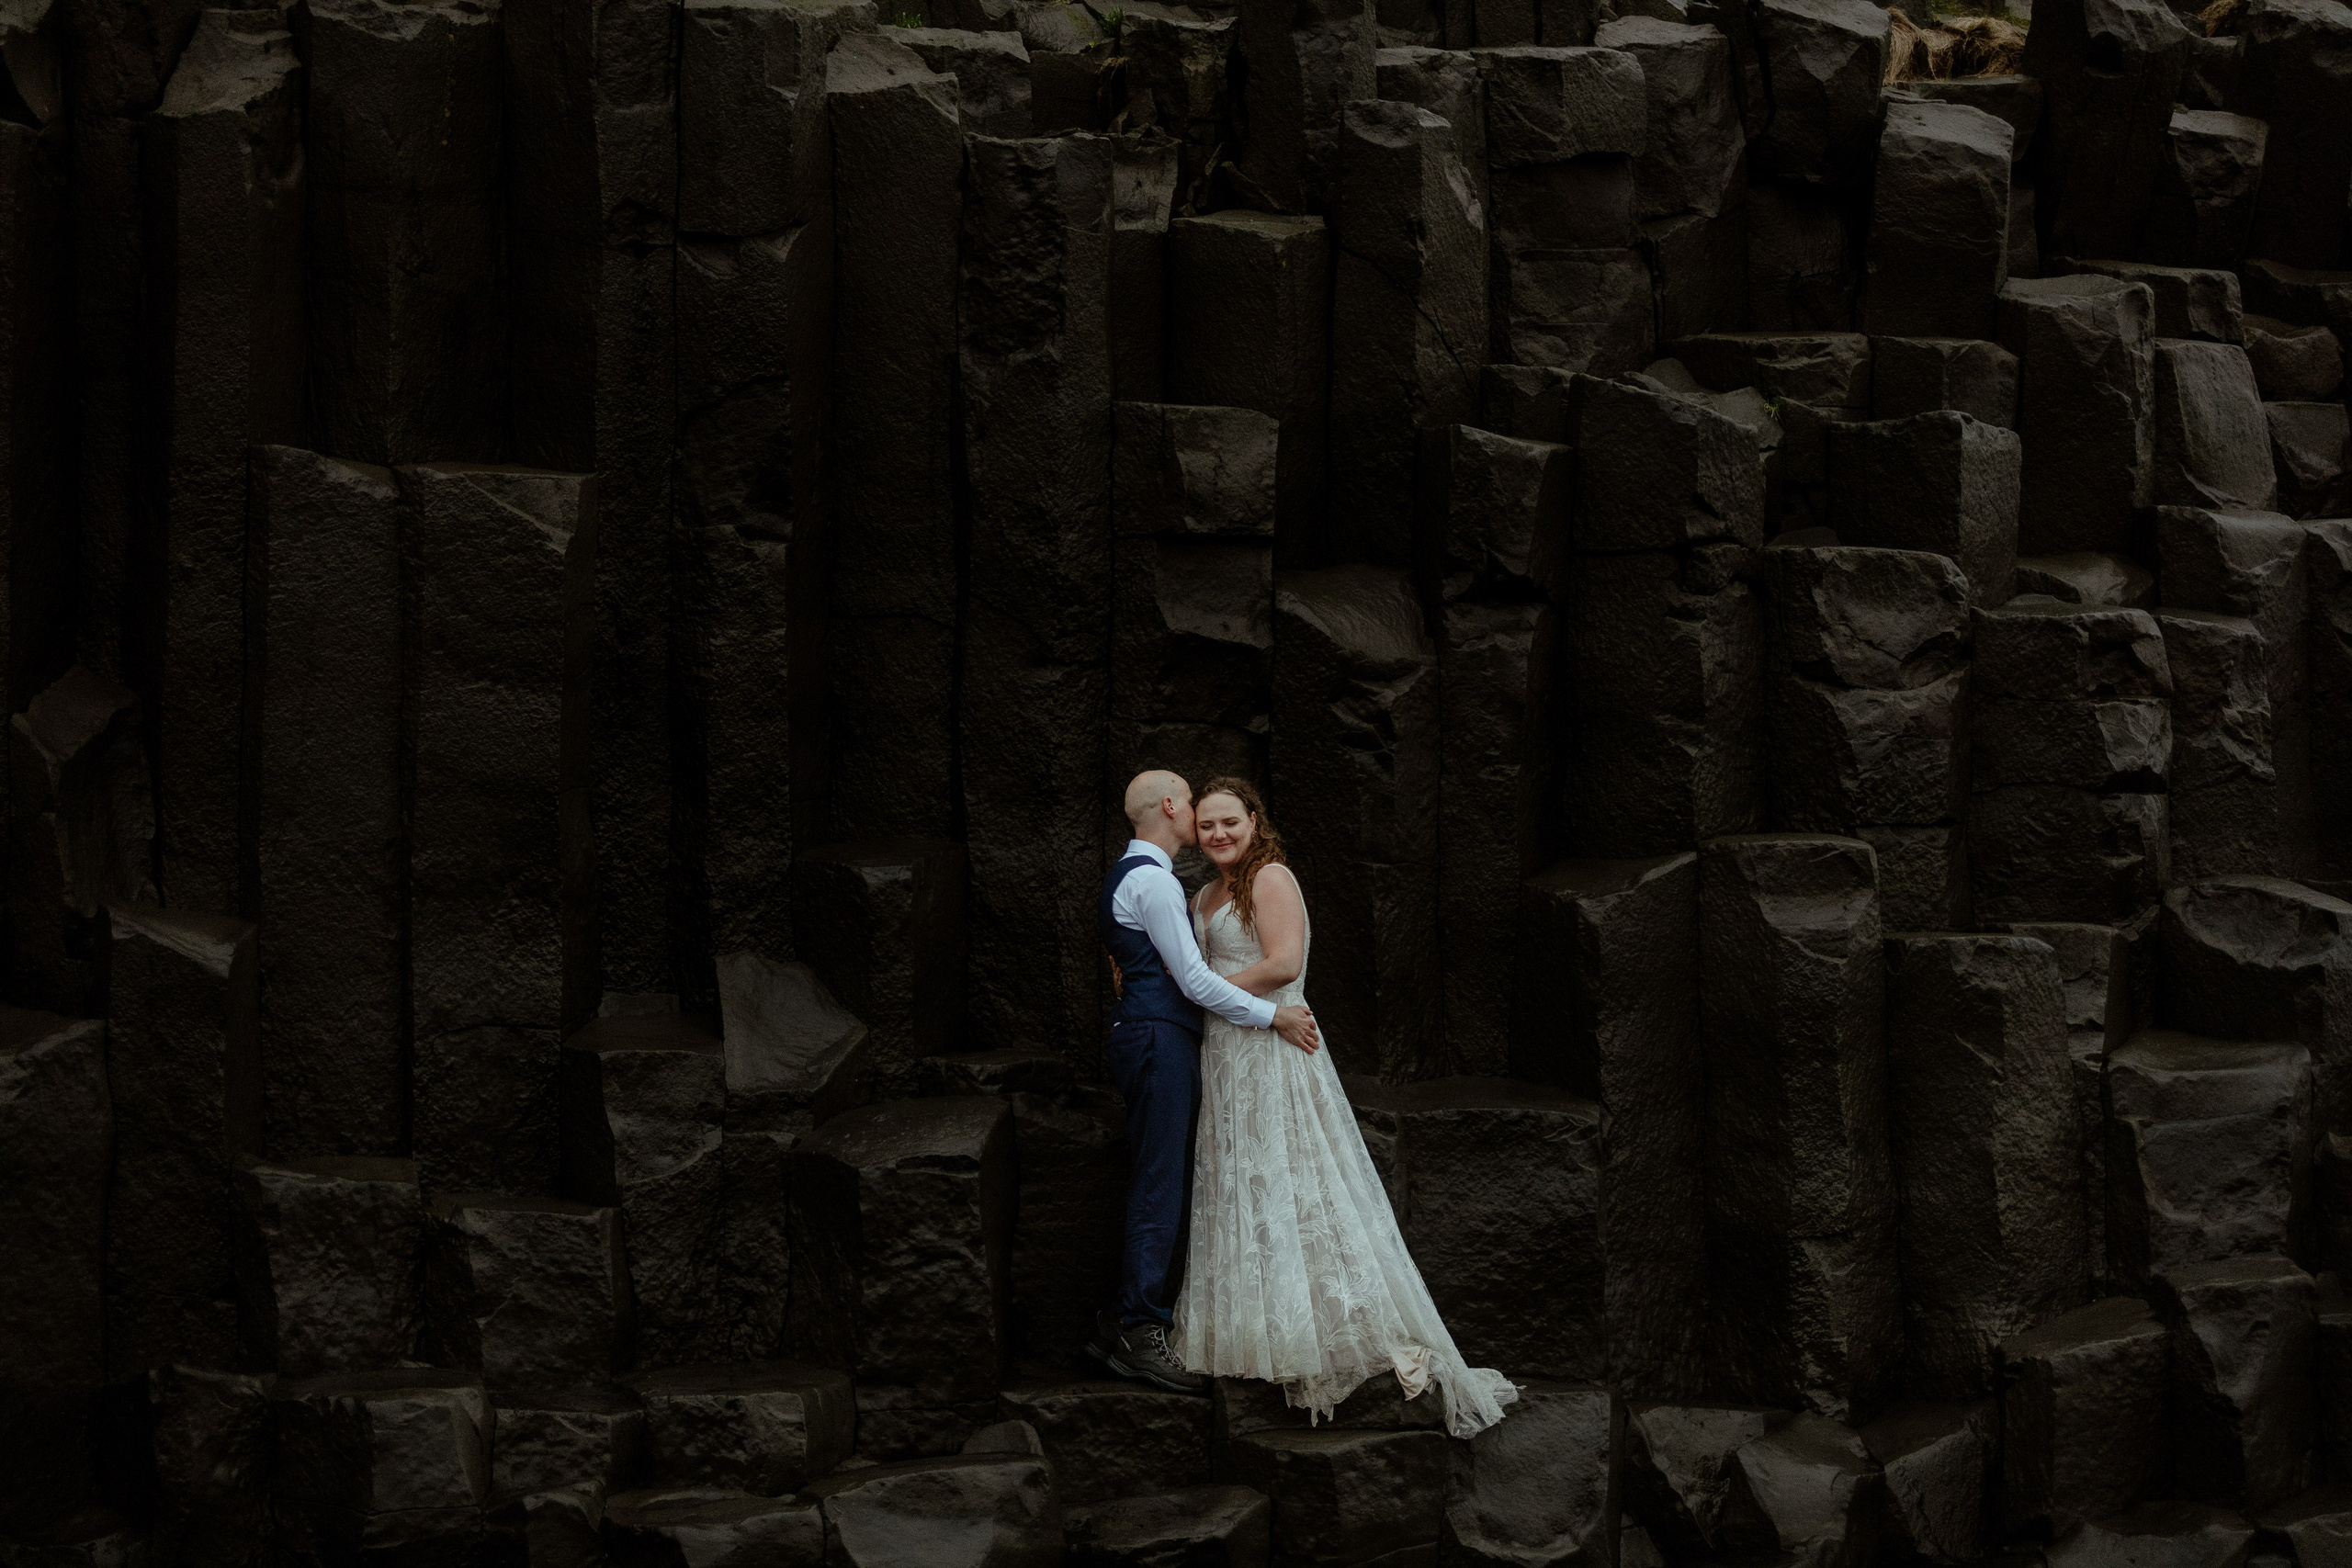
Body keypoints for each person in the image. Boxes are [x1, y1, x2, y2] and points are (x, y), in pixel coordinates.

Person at [1172, 776, 1517, 1438]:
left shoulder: (1270, 877)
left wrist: (1198, 989)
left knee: (1294, 1182)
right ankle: (1256, 1331)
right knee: (1240, 1184)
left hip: (1270, 1051)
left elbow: (1283, 962)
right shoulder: (1206, 892)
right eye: (1208, 825)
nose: (1218, 835)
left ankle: (1318, 1330)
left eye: (1230, 823)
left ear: (1254, 821)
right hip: (1225, 1053)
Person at [1087, 770, 1322, 1393]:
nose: (1202, 819)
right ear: (1171, 805)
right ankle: (1138, 1325)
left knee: (1167, 1176)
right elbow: (1190, 981)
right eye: (1195, 806)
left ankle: (1124, 1320)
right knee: (1161, 1181)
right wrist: (1274, 1014)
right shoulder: (1157, 882)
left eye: (1225, 818)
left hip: (1165, 1036)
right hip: (1162, 1037)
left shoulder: (1149, 878)